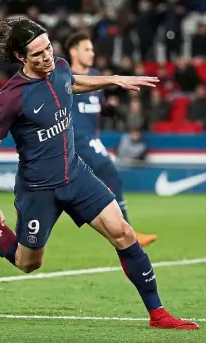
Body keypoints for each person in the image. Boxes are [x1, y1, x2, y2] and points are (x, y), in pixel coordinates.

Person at [0, 17, 198, 330]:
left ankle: (158, 315)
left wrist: (113, 79)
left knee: (125, 233)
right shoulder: (11, 97)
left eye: (48, 48)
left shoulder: (59, 66)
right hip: (38, 190)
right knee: (27, 262)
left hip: (76, 176)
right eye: (38, 54)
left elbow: (72, 82)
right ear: (21, 57)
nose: (47, 56)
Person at [65, 31, 156, 247]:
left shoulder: (96, 75)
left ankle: (120, 230)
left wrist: (112, 109)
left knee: (93, 186)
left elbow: (100, 109)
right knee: (110, 172)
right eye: (87, 49)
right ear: (73, 51)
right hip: (75, 139)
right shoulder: (65, 77)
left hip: (91, 138)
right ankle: (127, 232)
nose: (92, 53)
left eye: (93, 49)